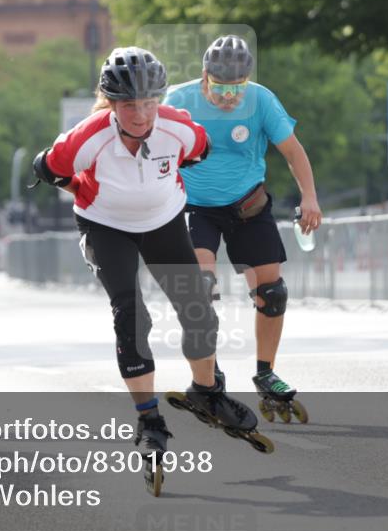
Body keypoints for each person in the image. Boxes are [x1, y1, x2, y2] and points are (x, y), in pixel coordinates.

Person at [32, 46, 266, 495]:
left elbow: (199, 150)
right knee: (131, 312)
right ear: (110, 104)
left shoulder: (177, 128)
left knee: (198, 308)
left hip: (163, 222)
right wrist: (78, 184)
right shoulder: (87, 137)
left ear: (160, 99)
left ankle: (205, 392)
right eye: (128, 105)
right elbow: (46, 166)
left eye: (148, 103)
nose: (140, 115)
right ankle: (149, 421)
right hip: (105, 225)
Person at [163, 35, 322, 420]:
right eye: (220, 88)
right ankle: (208, 376)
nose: (229, 97)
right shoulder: (179, 102)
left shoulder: (261, 100)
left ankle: (266, 374)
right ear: (204, 77)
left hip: (248, 204)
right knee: (199, 293)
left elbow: (293, 151)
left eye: (237, 88)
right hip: (194, 208)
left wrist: (310, 198)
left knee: (272, 292)